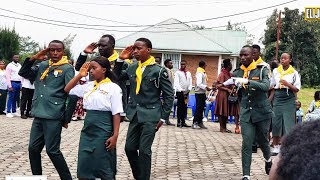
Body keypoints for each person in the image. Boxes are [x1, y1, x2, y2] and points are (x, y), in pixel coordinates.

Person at [118, 38, 174, 180]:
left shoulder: (159, 71)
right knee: (129, 148)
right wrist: (120, 60)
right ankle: (140, 176)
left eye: (139, 48)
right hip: (135, 114)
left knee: (144, 150)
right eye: (134, 49)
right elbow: (117, 77)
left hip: (151, 115)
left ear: (148, 50)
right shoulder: (131, 67)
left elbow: (169, 95)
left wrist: (163, 117)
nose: (135, 51)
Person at [18, 40, 74, 180]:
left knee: (52, 150)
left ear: (63, 52)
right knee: (33, 149)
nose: (55, 53)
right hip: (38, 113)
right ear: (47, 51)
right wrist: (34, 57)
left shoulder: (67, 68)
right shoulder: (42, 65)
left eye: (58, 50)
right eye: (52, 50)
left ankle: (67, 178)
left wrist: (66, 118)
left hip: (54, 115)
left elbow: (72, 94)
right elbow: (24, 72)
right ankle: (37, 177)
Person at [65, 57, 122, 179]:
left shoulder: (113, 88)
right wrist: (79, 75)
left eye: (94, 68)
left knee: (102, 161)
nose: (91, 71)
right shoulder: (89, 86)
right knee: (84, 162)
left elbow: (116, 113)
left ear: (104, 70)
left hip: (103, 127)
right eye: (90, 68)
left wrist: (115, 135)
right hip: (88, 128)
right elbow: (67, 89)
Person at [223, 45, 273, 180]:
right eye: (241, 55)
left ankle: (268, 159)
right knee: (247, 142)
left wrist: (247, 81)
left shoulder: (262, 69)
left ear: (253, 56)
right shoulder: (237, 72)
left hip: (262, 112)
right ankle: (246, 175)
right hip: (246, 112)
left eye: (246, 55)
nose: (243, 57)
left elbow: (265, 86)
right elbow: (239, 93)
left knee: (263, 141)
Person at [75, 34, 128, 122]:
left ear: (112, 46)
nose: (100, 48)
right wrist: (84, 53)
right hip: (95, 103)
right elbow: (78, 68)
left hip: (112, 106)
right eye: (99, 45)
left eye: (104, 45)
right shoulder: (95, 60)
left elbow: (115, 77)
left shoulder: (121, 62)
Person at [270, 52, 301, 156]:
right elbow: (272, 84)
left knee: (288, 123)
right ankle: (276, 147)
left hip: (288, 98)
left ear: (290, 60)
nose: (282, 60)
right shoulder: (275, 71)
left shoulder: (294, 73)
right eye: (281, 58)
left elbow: (296, 89)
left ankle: (288, 147)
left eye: (285, 58)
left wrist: (288, 84)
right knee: (276, 122)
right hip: (278, 97)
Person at [215, 59, 238, 133]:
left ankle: (225, 127)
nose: (231, 66)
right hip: (222, 95)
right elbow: (218, 86)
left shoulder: (229, 74)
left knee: (226, 111)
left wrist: (233, 89)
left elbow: (231, 83)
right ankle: (222, 127)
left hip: (228, 95)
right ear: (228, 66)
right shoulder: (222, 74)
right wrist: (227, 89)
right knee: (222, 111)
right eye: (231, 65)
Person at [174, 60, 192, 128]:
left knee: (185, 107)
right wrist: (182, 91)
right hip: (180, 92)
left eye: (184, 64)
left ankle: (183, 121)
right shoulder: (178, 73)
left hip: (186, 93)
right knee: (180, 107)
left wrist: (189, 89)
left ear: (186, 65)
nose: (183, 66)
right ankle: (179, 122)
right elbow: (176, 83)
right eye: (181, 64)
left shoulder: (188, 73)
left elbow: (190, 82)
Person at [193, 60, 211, 129]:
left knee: (201, 108)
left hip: (202, 92)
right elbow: (199, 83)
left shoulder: (202, 72)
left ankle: (200, 122)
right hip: (199, 92)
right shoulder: (200, 73)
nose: (206, 66)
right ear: (203, 65)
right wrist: (206, 87)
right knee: (198, 108)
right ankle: (195, 122)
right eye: (205, 65)